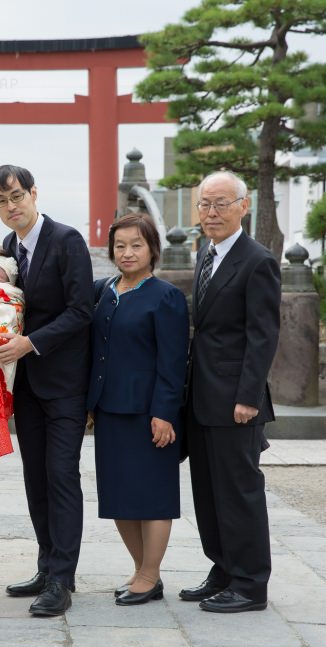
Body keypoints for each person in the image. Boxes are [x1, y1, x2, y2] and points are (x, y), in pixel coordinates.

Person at [0, 164, 93, 617]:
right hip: (26, 383)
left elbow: (81, 309)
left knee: (61, 475)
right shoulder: (10, 247)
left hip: (65, 382)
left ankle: (62, 579)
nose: (11, 207)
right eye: (1, 201)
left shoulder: (67, 240)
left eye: (16, 197)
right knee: (35, 477)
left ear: (34, 193)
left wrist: (32, 342)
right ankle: (46, 563)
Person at [182, 170, 281, 613]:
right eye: (205, 203)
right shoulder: (205, 253)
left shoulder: (257, 260)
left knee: (239, 492)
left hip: (235, 401)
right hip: (201, 396)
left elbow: (263, 336)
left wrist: (248, 397)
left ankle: (250, 583)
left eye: (221, 203)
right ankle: (222, 569)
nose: (211, 212)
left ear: (244, 206)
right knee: (207, 491)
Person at [86, 213, 189, 606]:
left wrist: (165, 413)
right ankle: (141, 569)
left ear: (152, 250)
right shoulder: (104, 290)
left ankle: (151, 574)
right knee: (118, 497)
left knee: (152, 496)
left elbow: (173, 361)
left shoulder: (165, 296)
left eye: (136, 245)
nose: (127, 253)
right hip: (109, 410)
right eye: (120, 245)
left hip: (149, 414)